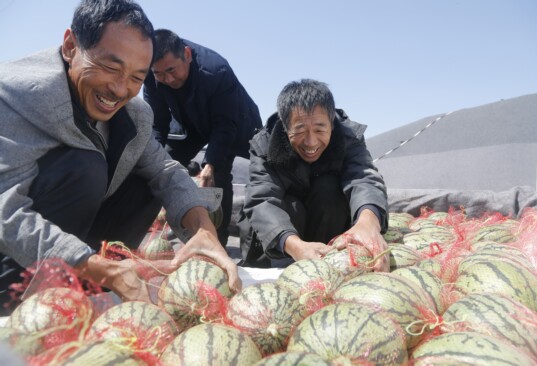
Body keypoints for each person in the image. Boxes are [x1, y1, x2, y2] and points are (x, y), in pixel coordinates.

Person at [0, 0, 240, 314]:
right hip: (12, 258)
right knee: (86, 167)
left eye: (136, 78)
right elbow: (7, 211)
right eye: (111, 68)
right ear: (71, 46)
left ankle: (90, 285)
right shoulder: (14, 96)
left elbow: (165, 171)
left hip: (79, 254)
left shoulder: (134, 114)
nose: (119, 89)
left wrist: (203, 229)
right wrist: (104, 268)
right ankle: (19, 296)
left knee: (146, 182)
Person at [238, 79, 390, 270]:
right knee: (290, 205)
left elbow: (364, 178)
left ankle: (333, 261)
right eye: (300, 130)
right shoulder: (264, 145)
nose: (310, 142)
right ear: (285, 127)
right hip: (279, 243)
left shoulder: (349, 138)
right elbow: (262, 199)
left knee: (329, 189)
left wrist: (368, 222)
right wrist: (295, 246)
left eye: (320, 129)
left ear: (332, 124)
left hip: (326, 230)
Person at [142, 29, 263, 247]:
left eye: (171, 70)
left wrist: (210, 164)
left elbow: (224, 125)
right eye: (160, 74)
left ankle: (218, 241)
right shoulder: (151, 74)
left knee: (220, 172)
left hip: (236, 123)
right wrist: (150, 159)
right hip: (190, 123)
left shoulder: (216, 71)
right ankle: (148, 233)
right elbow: (157, 124)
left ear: (187, 55)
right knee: (160, 162)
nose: (167, 79)